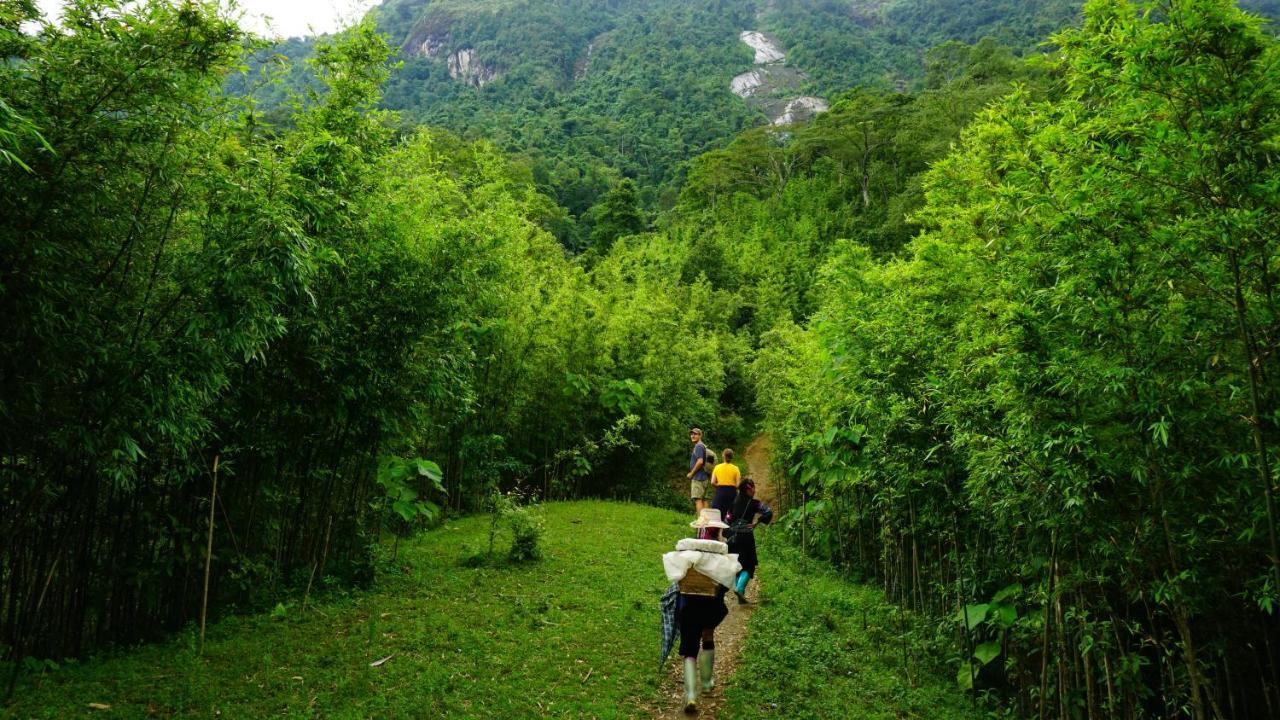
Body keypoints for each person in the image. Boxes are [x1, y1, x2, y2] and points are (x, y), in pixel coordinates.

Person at [661, 508, 742, 714]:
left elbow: (678, 577)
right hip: (712, 607)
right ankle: (706, 683)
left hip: (688, 606)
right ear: (717, 531)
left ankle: (690, 695)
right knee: (708, 635)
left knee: (689, 649)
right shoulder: (722, 557)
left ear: (701, 529)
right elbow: (726, 584)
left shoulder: (688, 555)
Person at [724, 478, 774, 604]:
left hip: (732, 536)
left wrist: (727, 532)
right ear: (748, 489)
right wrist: (757, 522)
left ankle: (739, 591)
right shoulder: (755, 503)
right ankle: (740, 588)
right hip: (746, 537)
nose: (755, 490)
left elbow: (727, 519)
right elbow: (768, 512)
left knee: (735, 563)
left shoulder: (733, 502)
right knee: (749, 564)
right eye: (753, 488)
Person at [709, 448, 740, 515]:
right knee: (730, 513)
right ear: (732, 457)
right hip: (732, 492)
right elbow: (738, 485)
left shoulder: (717, 467)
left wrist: (719, 486)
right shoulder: (736, 469)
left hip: (720, 491)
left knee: (717, 512)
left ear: (723, 456)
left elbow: (712, 482)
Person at [686, 427, 710, 511]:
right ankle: (706, 521)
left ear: (700, 436)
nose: (692, 436)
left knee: (698, 499)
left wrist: (691, 473)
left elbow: (700, 461)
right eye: (691, 434)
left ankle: (701, 520)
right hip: (705, 477)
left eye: (695, 434)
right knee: (704, 499)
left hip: (698, 478)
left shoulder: (699, 446)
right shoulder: (703, 446)